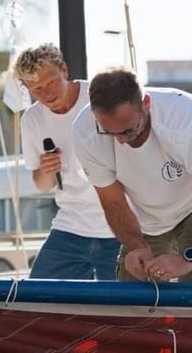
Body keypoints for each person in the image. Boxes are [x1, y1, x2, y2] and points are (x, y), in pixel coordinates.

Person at [71, 68, 192, 283]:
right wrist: (136, 246)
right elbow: (113, 202)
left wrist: (188, 259)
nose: (119, 140)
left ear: (146, 104)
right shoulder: (84, 133)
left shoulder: (186, 120)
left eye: (128, 130)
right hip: (149, 218)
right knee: (129, 302)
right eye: (108, 131)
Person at [14, 44, 120, 279]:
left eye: (50, 82)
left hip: (122, 225)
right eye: (36, 88)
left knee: (132, 308)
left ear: (64, 70)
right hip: (71, 224)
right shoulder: (32, 119)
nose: (46, 93)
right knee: (38, 300)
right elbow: (42, 185)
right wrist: (46, 169)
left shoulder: (101, 96)